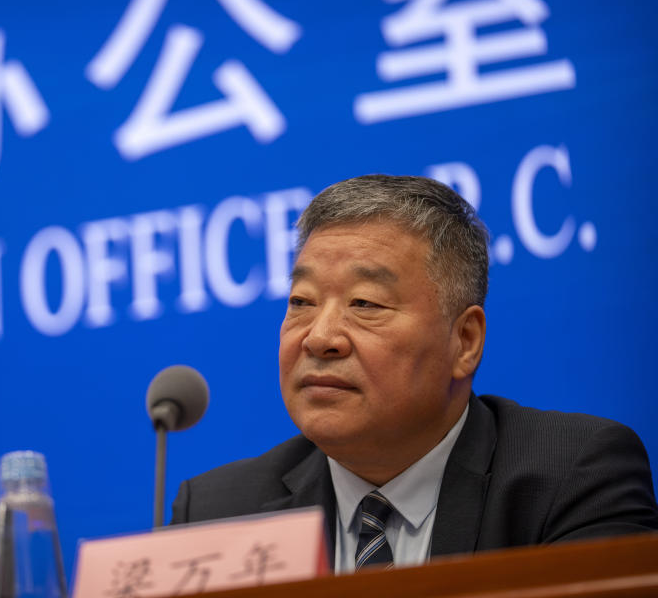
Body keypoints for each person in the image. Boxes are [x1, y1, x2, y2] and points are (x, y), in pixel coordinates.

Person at [170, 175, 658, 572]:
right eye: (301, 302)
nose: (319, 338)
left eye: (365, 304)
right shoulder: (217, 515)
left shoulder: (569, 478)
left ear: (464, 341)